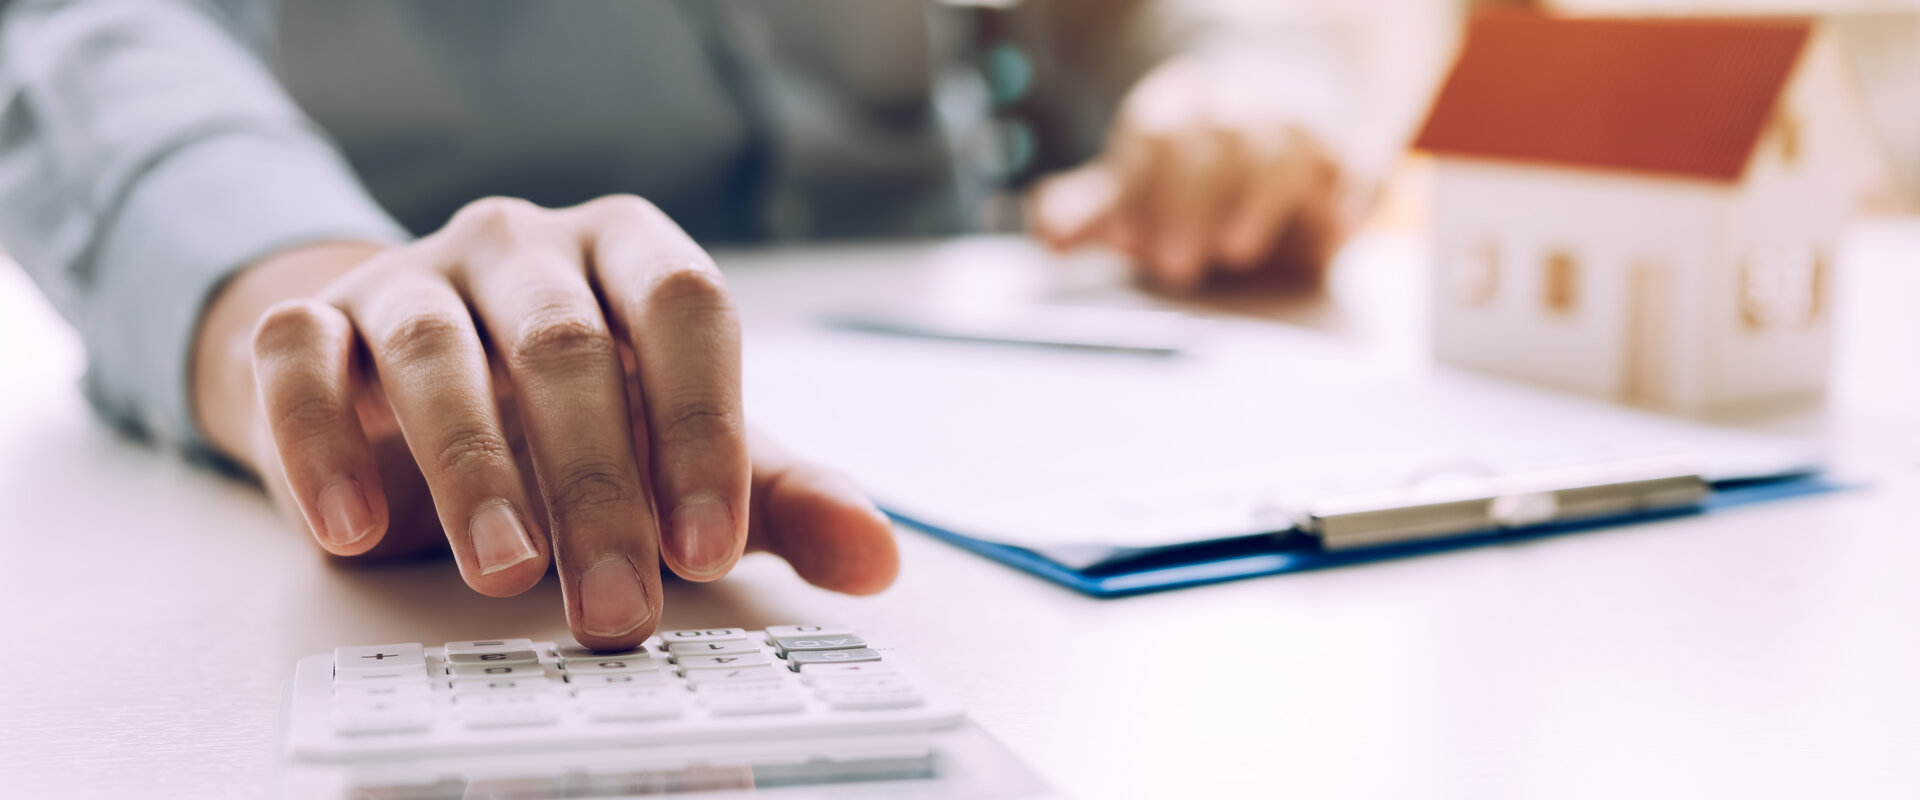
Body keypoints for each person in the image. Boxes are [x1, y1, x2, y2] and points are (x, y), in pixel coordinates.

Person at [0, 0, 1355, 649]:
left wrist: (1244, 91)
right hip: (507, 472)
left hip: (1040, 423)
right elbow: (90, 49)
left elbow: (1135, 28)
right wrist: (318, 301)